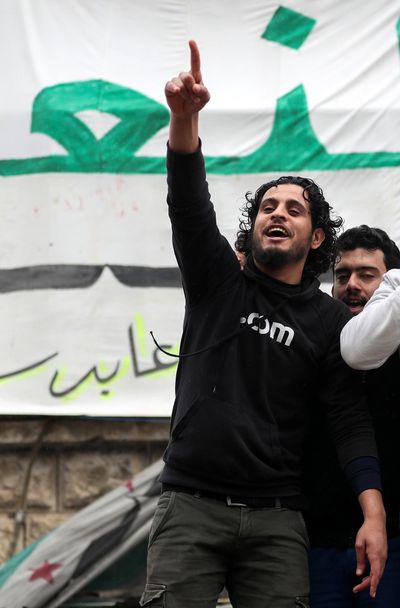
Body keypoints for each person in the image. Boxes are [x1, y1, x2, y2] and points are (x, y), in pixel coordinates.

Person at [140, 41, 386, 608]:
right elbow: (188, 202)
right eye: (267, 207)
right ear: (252, 229)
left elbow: (349, 421)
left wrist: (372, 514)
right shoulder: (216, 283)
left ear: (317, 237)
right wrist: (185, 118)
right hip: (190, 507)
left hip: (278, 523)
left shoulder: (329, 321)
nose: (277, 213)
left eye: (293, 209)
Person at [305, 225, 400, 607]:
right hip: (316, 543)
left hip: (393, 544)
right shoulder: (312, 346)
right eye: (342, 276)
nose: (351, 285)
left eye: (367, 275)